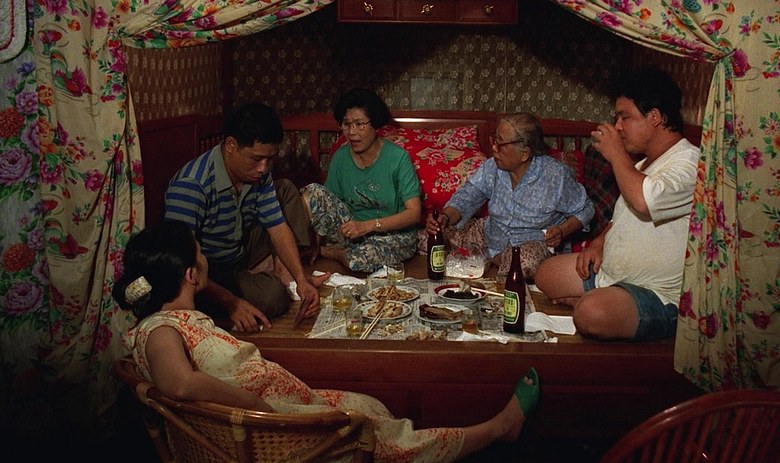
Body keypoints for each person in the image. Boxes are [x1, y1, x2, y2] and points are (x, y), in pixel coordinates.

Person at [114, 221, 540, 463]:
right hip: (266, 435)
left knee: (370, 406)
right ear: (192, 274)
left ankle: (395, 444)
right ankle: (497, 429)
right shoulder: (161, 329)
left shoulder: (179, 318)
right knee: (378, 433)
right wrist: (253, 405)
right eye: (199, 251)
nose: (204, 256)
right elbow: (179, 384)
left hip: (277, 411)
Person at [534, 68, 699, 341]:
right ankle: (606, 300)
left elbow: (643, 201)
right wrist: (599, 242)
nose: (618, 126)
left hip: (657, 293)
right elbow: (622, 217)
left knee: (591, 313)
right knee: (546, 274)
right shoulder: (643, 164)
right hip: (614, 274)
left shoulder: (690, 162)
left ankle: (604, 306)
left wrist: (616, 154)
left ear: (655, 117)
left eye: (625, 117)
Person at [164, 102, 327, 333]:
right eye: (256, 159)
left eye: (269, 159)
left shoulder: (259, 173)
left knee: (286, 190)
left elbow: (277, 226)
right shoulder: (191, 185)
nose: (263, 168)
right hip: (210, 269)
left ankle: (283, 275)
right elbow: (179, 261)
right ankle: (245, 291)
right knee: (273, 297)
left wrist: (301, 279)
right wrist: (230, 302)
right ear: (231, 145)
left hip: (242, 247)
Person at [423, 112, 594, 280]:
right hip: (489, 236)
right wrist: (445, 217)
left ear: (524, 153)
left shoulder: (555, 175)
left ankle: (489, 262)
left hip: (530, 245)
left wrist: (562, 231)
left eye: (501, 144)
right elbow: (467, 197)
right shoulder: (492, 167)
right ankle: (491, 259)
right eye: (494, 140)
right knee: (430, 237)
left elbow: (586, 209)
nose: (494, 148)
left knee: (523, 263)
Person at [301, 88, 422, 273]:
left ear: (375, 125)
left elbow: (414, 214)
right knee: (312, 191)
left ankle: (333, 253)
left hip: (392, 235)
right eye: (346, 124)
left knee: (361, 258)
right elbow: (325, 206)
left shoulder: (398, 158)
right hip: (353, 232)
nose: (351, 132)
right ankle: (324, 249)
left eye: (359, 124)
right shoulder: (341, 157)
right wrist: (314, 243)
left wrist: (367, 226)